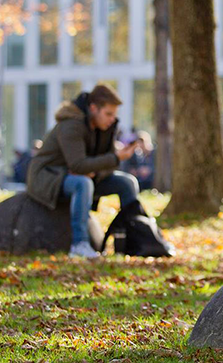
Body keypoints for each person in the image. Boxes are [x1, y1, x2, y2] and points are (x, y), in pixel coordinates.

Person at [26, 85, 145, 260]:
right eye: (108, 114)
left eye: (114, 115)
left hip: (80, 177)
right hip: (48, 177)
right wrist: (113, 158)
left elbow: (105, 165)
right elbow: (79, 164)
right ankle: (79, 244)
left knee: (127, 183)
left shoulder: (104, 128)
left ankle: (133, 239)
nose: (112, 119)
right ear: (93, 108)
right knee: (83, 183)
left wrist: (95, 168)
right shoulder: (71, 125)